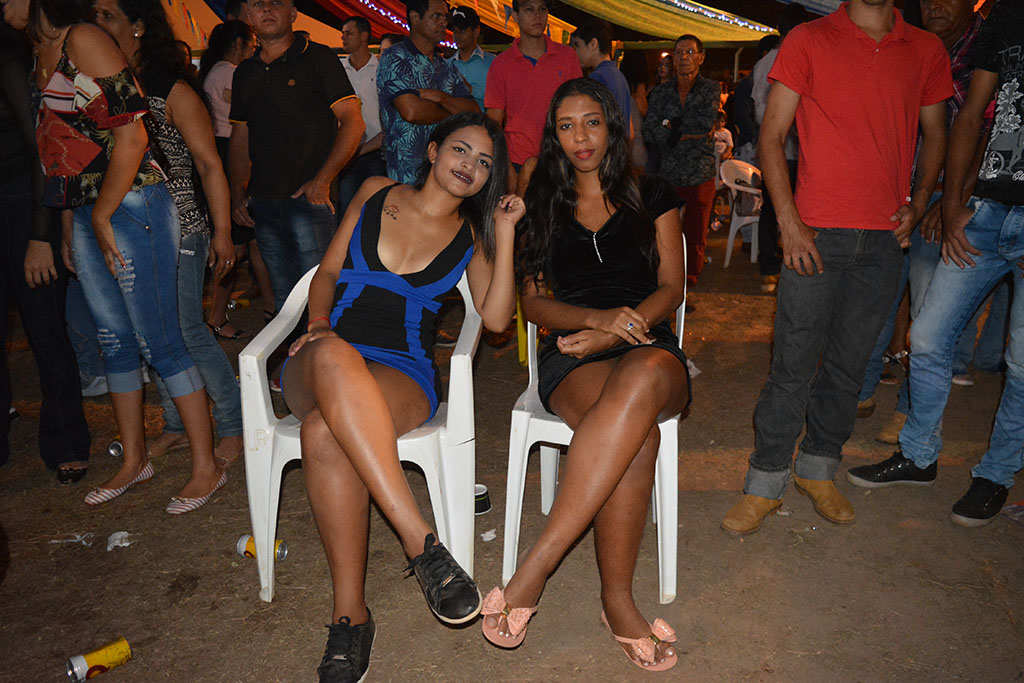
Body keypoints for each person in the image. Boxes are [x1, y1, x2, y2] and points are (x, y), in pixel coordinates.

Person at [280, 112, 518, 683]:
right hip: (322, 354)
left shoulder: (472, 237)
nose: (470, 165)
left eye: (484, 162)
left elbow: (497, 319)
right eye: (460, 150)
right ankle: (421, 544)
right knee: (335, 356)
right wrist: (317, 325)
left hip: (402, 372)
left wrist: (505, 232)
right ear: (432, 151)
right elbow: (327, 272)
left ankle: (350, 617)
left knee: (322, 433)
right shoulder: (373, 191)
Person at [720, 0, 952, 535]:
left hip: (884, 240)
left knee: (849, 368)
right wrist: (789, 221)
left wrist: (919, 203)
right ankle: (765, 481)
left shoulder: (925, 49)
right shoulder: (809, 39)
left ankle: (818, 468)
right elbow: (771, 135)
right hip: (816, 232)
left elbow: (937, 132)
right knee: (792, 365)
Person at [481, 79, 689, 672]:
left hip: (647, 343)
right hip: (573, 349)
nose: (581, 137)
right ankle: (617, 602)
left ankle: (534, 568)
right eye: (566, 125)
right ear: (554, 136)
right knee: (636, 438)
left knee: (642, 378)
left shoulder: (653, 193)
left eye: (592, 121)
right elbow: (533, 304)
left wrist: (619, 331)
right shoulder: (541, 205)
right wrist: (596, 323)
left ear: (613, 126)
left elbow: (671, 288)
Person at [30, 0, 226, 512]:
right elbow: (61, 150)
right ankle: (135, 459)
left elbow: (134, 135)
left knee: (162, 341)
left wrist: (98, 217)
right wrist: (72, 223)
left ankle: (206, 466)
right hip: (87, 207)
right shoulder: (38, 50)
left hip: (134, 203)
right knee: (114, 342)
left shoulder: (83, 39)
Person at [848, 0, 1024, 527]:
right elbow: (970, 113)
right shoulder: (1007, 15)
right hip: (987, 212)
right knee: (926, 337)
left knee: (1021, 364)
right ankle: (919, 455)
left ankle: (996, 476)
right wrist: (951, 207)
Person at [94, 0, 246, 470]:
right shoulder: (105, 86)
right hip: (129, 226)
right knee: (150, 333)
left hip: (181, 224)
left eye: (108, 15)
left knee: (185, 330)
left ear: (139, 26)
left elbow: (209, 164)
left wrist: (223, 232)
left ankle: (234, 424)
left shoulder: (172, 88)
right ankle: (178, 425)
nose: (96, 25)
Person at [0, 16, 91, 482]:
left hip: (23, 202)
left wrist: (40, 236)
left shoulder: (7, 54)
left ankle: (67, 441)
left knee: (45, 330)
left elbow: (42, 148)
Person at [229, 0, 364, 313]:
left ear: (292, 13)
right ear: (249, 16)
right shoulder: (245, 72)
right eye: (258, 4)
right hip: (263, 201)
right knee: (284, 299)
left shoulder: (318, 58)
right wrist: (237, 195)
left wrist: (323, 180)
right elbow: (240, 137)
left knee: (319, 296)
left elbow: (354, 122)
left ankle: (323, 345)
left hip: (310, 201)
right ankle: (296, 345)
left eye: (275, 2)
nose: (267, 9)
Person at [198, 19, 274, 338]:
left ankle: (271, 307)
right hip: (231, 154)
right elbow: (254, 110)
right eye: (252, 44)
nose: (254, 49)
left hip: (224, 151)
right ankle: (217, 316)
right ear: (239, 44)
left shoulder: (213, 71)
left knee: (251, 241)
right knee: (237, 244)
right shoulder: (228, 72)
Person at [643, 34, 720, 286]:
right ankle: (668, 280)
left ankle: (689, 280)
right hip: (669, 172)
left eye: (689, 52)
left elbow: (704, 123)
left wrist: (668, 126)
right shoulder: (661, 93)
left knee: (696, 232)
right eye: (679, 53)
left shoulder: (710, 89)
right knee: (666, 233)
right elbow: (649, 130)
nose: (684, 58)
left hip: (699, 171)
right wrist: (680, 132)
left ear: (701, 57)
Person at [377, 0, 477, 185]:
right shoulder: (394, 57)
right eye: (436, 16)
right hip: (406, 177)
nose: (444, 23)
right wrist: (454, 113)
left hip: (445, 175)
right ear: (415, 17)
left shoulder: (446, 67)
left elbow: (474, 112)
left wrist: (440, 97)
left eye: (445, 17)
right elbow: (411, 111)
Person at [484, 0, 581, 186]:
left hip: (561, 157)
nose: (537, 15)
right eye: (529, 10)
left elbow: (578, 110)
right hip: (517, 160)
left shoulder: (567, 57)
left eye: (542, 9)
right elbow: (493, 123)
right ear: (515, 16)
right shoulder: (501, 64)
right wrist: (507, 170)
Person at [338, 15, 385, 215]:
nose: (343, 38)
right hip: (345, 152)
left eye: (349, 33)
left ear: (364, 36)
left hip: (376, 151)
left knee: (373, 211)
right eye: (343, 34)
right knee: (348, 210)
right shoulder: (338, 70)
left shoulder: (381, 69)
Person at [570, 17, 631, 135]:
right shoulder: (619, 76)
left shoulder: (597, 78)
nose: (576, 52)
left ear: (593, 44)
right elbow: (630, 132)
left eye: (578, 46)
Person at [447, 6, 495, 113]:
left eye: (462, 31)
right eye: (455, 31)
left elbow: (500, 98)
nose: (457, 36)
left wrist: (471, 89)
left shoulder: (492, 63)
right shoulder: (447, 65)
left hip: (482, 122)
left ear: (476, 31)